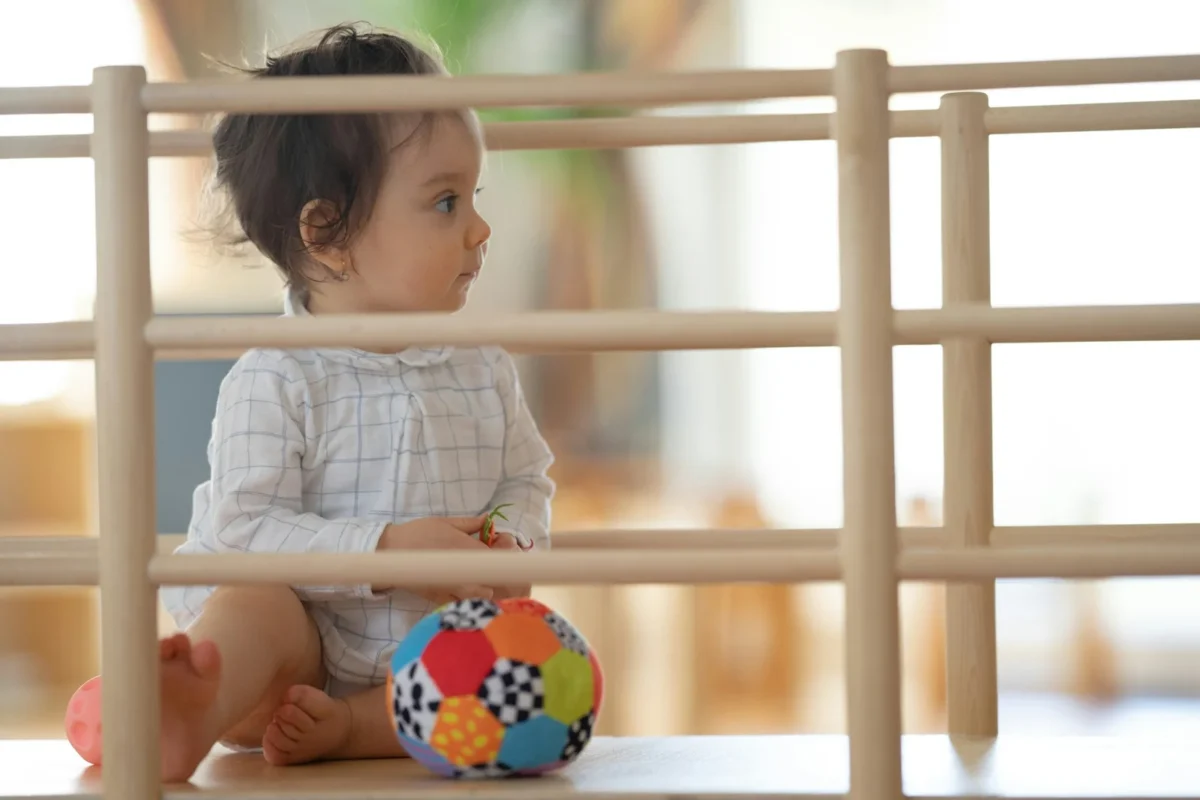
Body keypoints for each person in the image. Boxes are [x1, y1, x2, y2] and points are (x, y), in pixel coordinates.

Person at [154, 23, 555, 782]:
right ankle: (186, 714)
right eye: (444, 203)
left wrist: (510, 543)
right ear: (326, 232)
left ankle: (353, 729)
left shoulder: (482, 366)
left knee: (538, 664)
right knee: (253, 605)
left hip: (432, 658)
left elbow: (525, 477)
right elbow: (243, 526)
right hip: (287, 659)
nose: (479, 227)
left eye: (473, 196)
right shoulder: (277, 375)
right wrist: (393, 550)